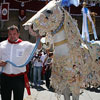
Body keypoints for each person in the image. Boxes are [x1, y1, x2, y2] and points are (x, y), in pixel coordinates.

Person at [0, 25, 41, 100]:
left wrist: (38, 36)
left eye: (14, 34)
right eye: (10, 34)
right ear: (8, 34)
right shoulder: (1, 45)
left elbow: (38, 47)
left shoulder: (25, 45)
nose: (12, 36)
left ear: (18, 34)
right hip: (5, 78)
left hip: (19, 78)